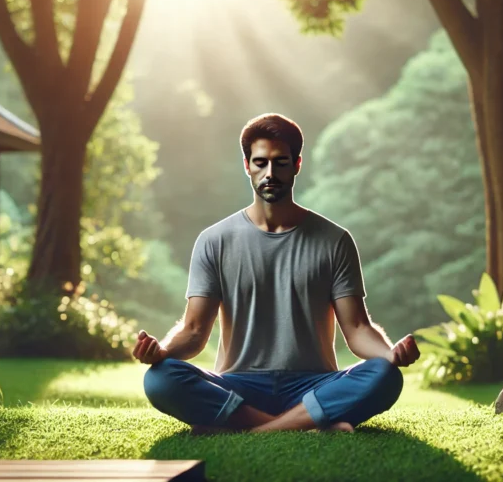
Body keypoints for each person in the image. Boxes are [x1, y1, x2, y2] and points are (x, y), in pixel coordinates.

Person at [133, 113, 420, 434]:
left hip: (313, 386)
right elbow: (195, 330)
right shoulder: (213, 241)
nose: (270, 173)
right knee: (160, 378)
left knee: (384, 375)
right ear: (247, 166)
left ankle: (246, 428)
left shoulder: (335, 240)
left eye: (281, 162)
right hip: (238, 385)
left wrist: (389, 353)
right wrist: (162, 352)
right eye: (260, 163)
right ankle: (303, 424)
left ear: (297, 164)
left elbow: (356, 328)